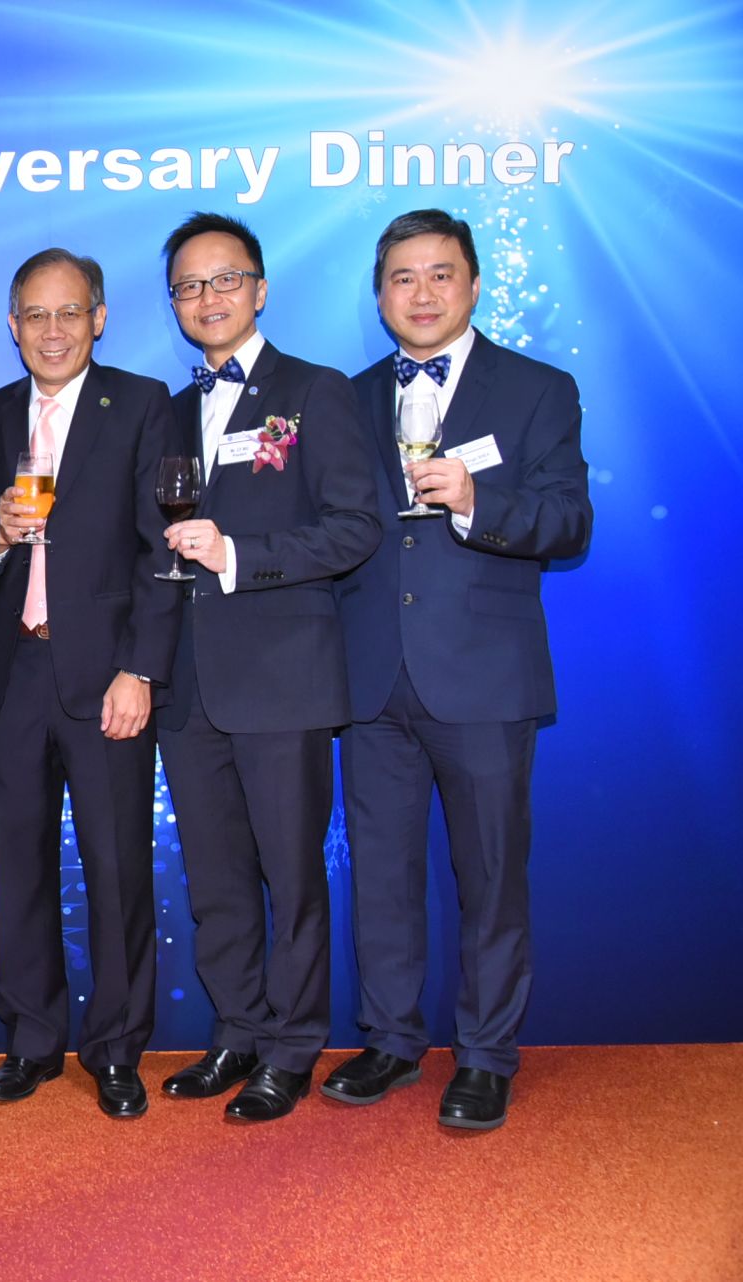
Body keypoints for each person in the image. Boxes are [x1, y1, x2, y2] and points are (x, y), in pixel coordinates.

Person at [324, 209, 591, 1130]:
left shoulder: (537, 389)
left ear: (474, 284)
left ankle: (484, 1056)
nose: (423, 292)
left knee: (490, 875)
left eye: (441, 273)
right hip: (370, 679)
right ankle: (392, 1040)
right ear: (380, 295)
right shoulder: (346, 398)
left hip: (484, 677)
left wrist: (479, 500)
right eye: (403, 277)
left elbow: (570, 522)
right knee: (381, 876)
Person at [154, 212, 380, 1122]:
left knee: (291, 874)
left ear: (259, 288)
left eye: (224, 279)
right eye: (188, 286)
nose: (207, 298)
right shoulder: (169, 412)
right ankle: (237, 1031)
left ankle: (292, 1046)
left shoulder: (315, 391)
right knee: (215, 881)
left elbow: (355, 527)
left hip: (283, 678)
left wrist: (238, 555)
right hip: (189, 685)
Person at [0, 249, 181, 1118]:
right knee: (18, 864)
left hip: (107, 673)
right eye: (35, 315)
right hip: (13, 669)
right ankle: (31, 1039)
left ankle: (117, 1048)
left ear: (99, 318)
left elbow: (163, 548)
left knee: (116, 866)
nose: (52, 331)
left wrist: (141, 668)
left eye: (69, 312)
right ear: (12, 326)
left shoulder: (143, 404)